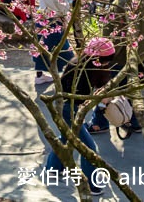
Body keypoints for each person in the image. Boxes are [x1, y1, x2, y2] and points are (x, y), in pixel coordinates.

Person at [44, 38, 116, 197]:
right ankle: (91, 184)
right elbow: (73, 95)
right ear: (95, 58)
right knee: (89, 148)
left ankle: (52, 169)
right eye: (105, 60)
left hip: (75, 108)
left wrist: (101, 95)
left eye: (110, 59)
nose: (107, 63)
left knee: (65, 137)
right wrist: (97, 99)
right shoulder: (77, 67)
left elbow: (99, 87)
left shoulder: (98, 67)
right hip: (66, 108)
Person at [88, 0, 144, 135]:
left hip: (119, 55)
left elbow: (113, 33)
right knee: (129, 87)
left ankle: (99, 122)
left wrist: (106, 54)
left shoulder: (123, 2)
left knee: (107, 89)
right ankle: (135, 121)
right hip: (138, 53)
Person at [33, 0, 74, 85]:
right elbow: (63, 6)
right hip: (55, 20)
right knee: (65, 50)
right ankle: (69, 76)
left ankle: (39, 75)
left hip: (42, 18)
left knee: (41, 48)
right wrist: (65, 17)